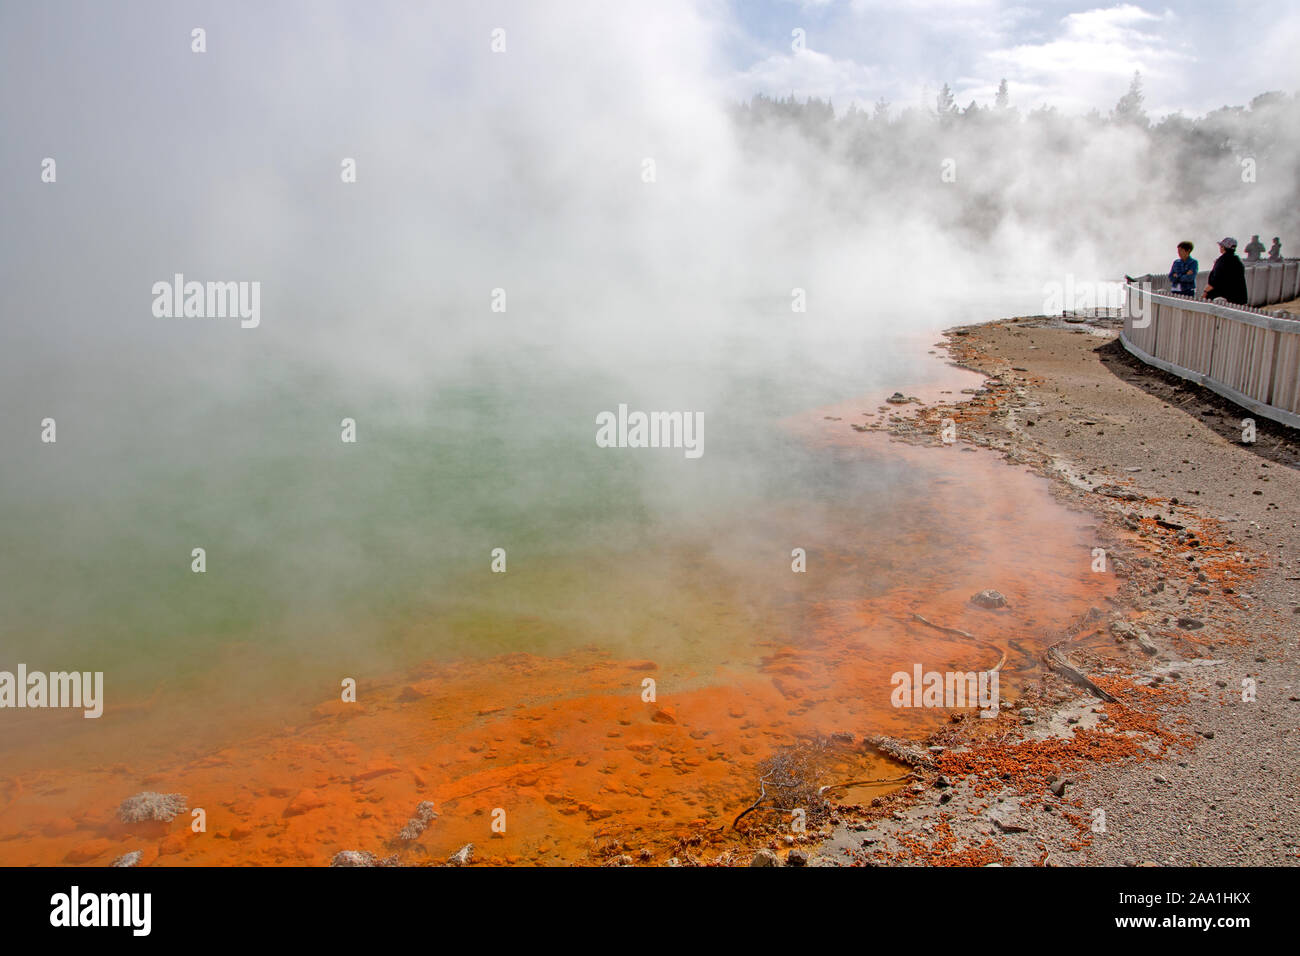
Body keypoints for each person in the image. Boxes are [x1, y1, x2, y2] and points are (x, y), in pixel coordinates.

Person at [1204, 237, 1248, 305]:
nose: (1220, 247)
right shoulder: (1237, 261)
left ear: (1224, 247)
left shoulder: (1222, 261)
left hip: (1223, 299)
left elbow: (1215, 281)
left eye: (1221, 246)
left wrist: (1205, 292)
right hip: (1238, 298)